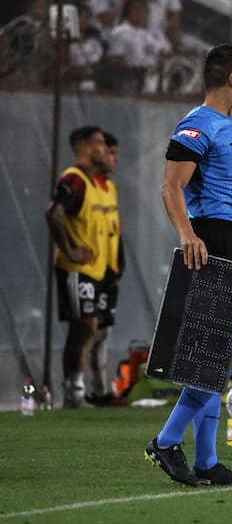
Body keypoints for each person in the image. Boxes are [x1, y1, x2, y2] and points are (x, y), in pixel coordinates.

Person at [144, 44, 232, 487]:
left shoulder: (222, 126)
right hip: (209, 242)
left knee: (213, 358)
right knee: (211, 358)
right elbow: (170, 188)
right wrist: (187, 235)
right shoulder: (199, 124)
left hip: (228, 239)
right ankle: (165, 441)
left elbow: (220, 198)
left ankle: (206, 461)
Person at [45, 125, 110, 408]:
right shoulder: (74, 179)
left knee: (84, 328)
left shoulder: (94, 182)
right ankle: (74, 390)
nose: (103, 149)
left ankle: (74, 390)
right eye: (98, 143)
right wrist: (70, 249)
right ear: (83, 146)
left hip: (94, 271)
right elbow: (55, 213)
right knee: (85, 325)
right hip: (76, 268)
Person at [86, 131, 123, 404]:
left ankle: (101, 390)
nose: (114, 159)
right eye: (111, 153)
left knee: (104, 329)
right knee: (89, 329)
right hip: (90, 271)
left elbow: (115, 232)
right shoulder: (86, 186)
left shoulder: (109, 188)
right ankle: (89, 389)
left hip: (108, 272)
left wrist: (117, 266)